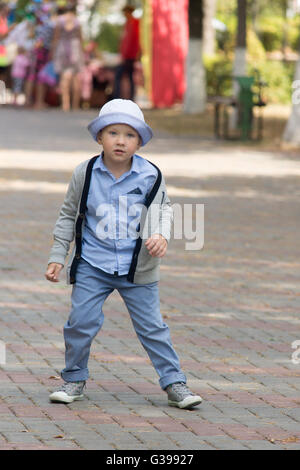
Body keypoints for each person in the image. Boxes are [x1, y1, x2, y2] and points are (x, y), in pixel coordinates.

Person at [45, 99, 202, 410]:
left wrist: (159, 234)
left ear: (140, 141)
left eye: (129, 135)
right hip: (93, 263)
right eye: (112, 133)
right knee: (80, 322)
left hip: (137, 268)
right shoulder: (85, 172)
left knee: (152, 327)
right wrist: (57, 255)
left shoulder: (150, 175)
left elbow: (164, 210)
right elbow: (67, 215)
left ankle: (174, 383)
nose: (120, 141)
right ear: (99, 137)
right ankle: (74, 378)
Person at [51, 3, 84, 111]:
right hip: (75, 49)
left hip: (62, 49)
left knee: (64, 77)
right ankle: (75, 105)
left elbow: (56, 37)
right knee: (75, 78)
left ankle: (65, 104)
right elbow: (80, 38)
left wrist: (52, 52)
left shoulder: (60, 20)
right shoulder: (77, 21)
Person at [113, 4, 140, 100]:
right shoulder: (127, 24)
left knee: (121, 76)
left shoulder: (135, 23)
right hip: (126, 56)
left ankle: (119, 97)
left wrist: (129, 54)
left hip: (130, 56)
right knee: (127, 77)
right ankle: (125, 98)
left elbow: (134, 41)